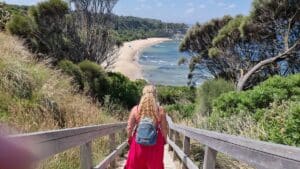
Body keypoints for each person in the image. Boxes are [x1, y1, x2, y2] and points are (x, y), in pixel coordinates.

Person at [124, 85, 169, 169]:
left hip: (138, 141)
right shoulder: (160, 110)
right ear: (155, 95)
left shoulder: (136, 109)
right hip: (155, 143)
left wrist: (129, 138)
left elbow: (129, 127)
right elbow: (164, 128)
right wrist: (165, 140)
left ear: (143, 95)